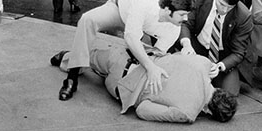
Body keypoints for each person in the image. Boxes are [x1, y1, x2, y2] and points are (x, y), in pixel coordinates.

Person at [55, 0, 193, 101]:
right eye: (182, 14)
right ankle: (71, 79)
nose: (186, 19)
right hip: (119, 11)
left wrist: (151, 64)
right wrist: (150, 66)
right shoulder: (145, 3)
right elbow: (131, 38)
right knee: (87, 20)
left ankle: (67, 57)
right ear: (168, 10)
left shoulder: (175, 29)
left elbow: (154, 55)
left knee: (126, 60)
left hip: (139, 28)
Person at [52, 48, 237, 123]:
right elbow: (142, 110)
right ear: (210, 112)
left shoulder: (204, 64)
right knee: (102, 75)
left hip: (134, 57)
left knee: (94, 57)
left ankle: (67, 56)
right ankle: (73, 61)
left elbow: (177, 55)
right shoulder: (188, 113)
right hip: (123, 85)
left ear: (220, 90)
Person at [179, 0, 252, 96]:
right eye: (222, 4)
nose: (224, 10)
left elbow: (239, 52)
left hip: (222, 55)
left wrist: (220, 66)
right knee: (184, 81)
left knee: (230, 93)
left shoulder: (243, 16)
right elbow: (186, 23)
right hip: (197, 47)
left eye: (230, 7)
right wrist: (186, 44)